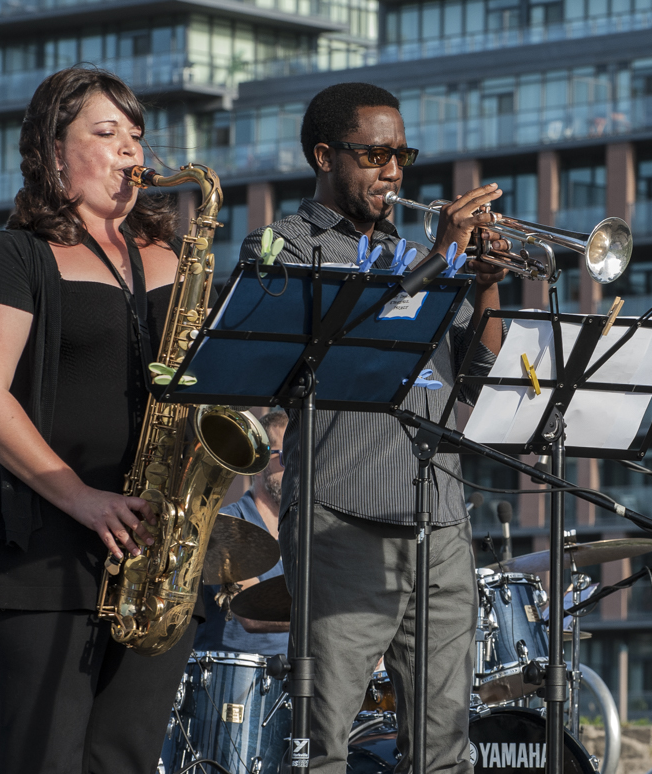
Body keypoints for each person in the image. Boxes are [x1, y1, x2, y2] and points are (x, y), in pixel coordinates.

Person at [240, 81, 506, 774]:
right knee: (324, 742)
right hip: (342, 514)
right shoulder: (283, 246)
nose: (392, 171)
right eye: (374, 154)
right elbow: (336, 352)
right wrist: (441, 262)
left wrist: (483, 285)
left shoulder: (420, 253)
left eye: (402, 154)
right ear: (325, 156)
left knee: (444, 748)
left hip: (440, 517)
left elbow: (475, 380)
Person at [0, 67, 196, 774]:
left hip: (155, 551)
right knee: (49, 758)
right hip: (44, 549)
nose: (131, 152)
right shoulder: (12, 255)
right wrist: (82, 498)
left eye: (137, 136)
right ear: (53, 153)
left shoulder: (175, 258)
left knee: (125, 758)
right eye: (106, 133)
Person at [194, 409, 289, 655]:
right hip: (228, 684)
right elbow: (250, 613)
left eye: (303, 457)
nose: (297, 468)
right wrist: (330, 623)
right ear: (258, 465)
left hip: (295, 679)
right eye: (286, 456)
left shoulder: (309, 532)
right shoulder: (226, 524)